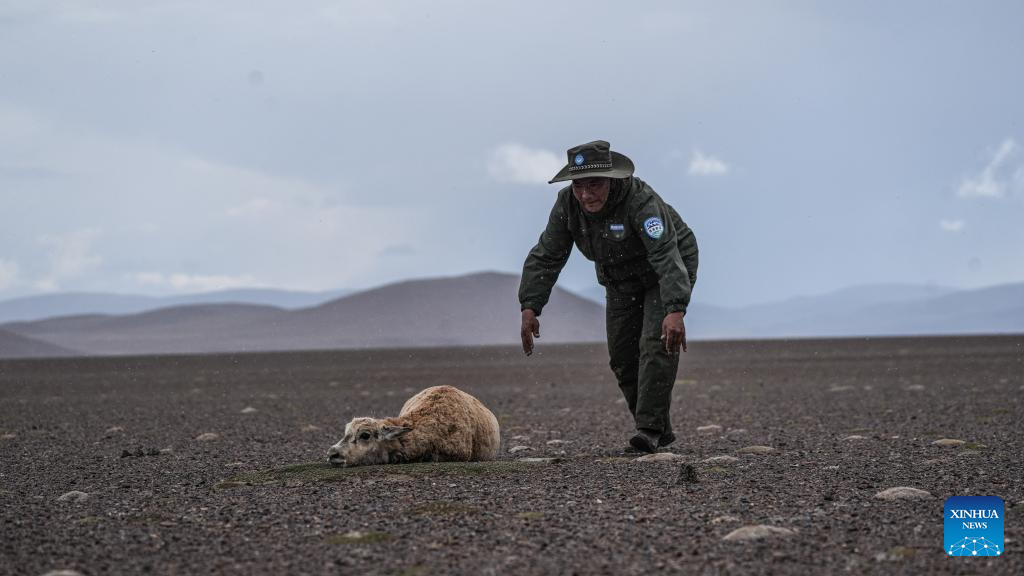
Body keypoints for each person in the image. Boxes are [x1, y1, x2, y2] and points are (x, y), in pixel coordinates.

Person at [518, 140, 698, 454]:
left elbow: (667, 255)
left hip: (665, 271)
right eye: (578, 186)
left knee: (656, 344)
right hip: (620, 279)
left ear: (612, 180)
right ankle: (659, 429)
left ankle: (649, 430)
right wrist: (531, 305)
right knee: (622, 357)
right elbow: (547, 255)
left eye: (595, 185)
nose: (586, 195)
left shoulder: (642, 203)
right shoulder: (567, 206)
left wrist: (675, 308)